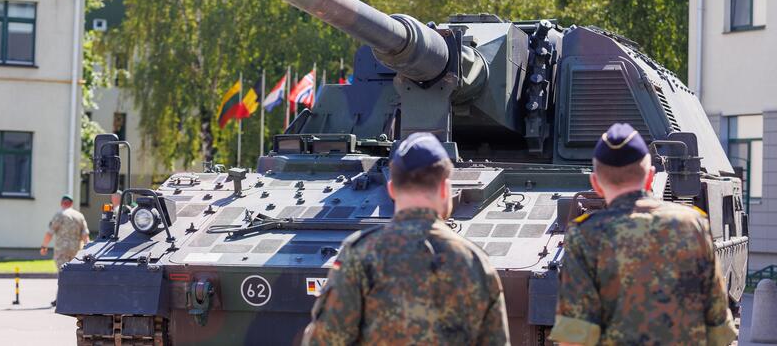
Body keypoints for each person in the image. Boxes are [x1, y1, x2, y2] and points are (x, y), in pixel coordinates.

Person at [302, 132, 510, 345]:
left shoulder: (359, 254)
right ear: (445, 189)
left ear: (391, 189)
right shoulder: (475, 263)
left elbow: (323, 340)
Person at [549, 123, 737, 345]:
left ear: (596, 184)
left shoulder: (585, 235)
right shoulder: (692, 225)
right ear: (650, 176)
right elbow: (718, 328)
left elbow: (575, 337)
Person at [40, 194, 89, 271]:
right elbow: (85, 235)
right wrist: (87, 250)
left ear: (61, 203)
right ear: (71, 204)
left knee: (62, 273)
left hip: (62, 250)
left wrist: (44, 246)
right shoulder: (79, 216)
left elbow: (50, 233)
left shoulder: (59, 215)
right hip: (75, 250)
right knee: (74, 272)